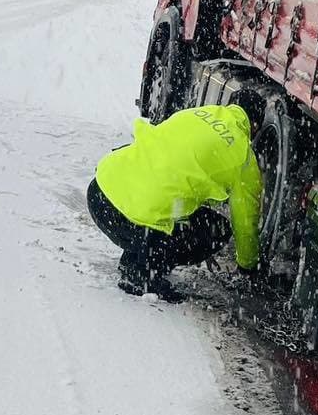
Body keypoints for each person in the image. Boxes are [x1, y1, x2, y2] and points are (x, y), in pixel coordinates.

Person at [87, 92, 264, 297]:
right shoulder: (244, 157)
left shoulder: (195, 114)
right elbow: (245, 222)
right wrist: (248, 266)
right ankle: (143, 276)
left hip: (99, 194)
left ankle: (135, 258)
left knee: (160, 192)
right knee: (217, 229)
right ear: (255, 126)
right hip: (130, 219)